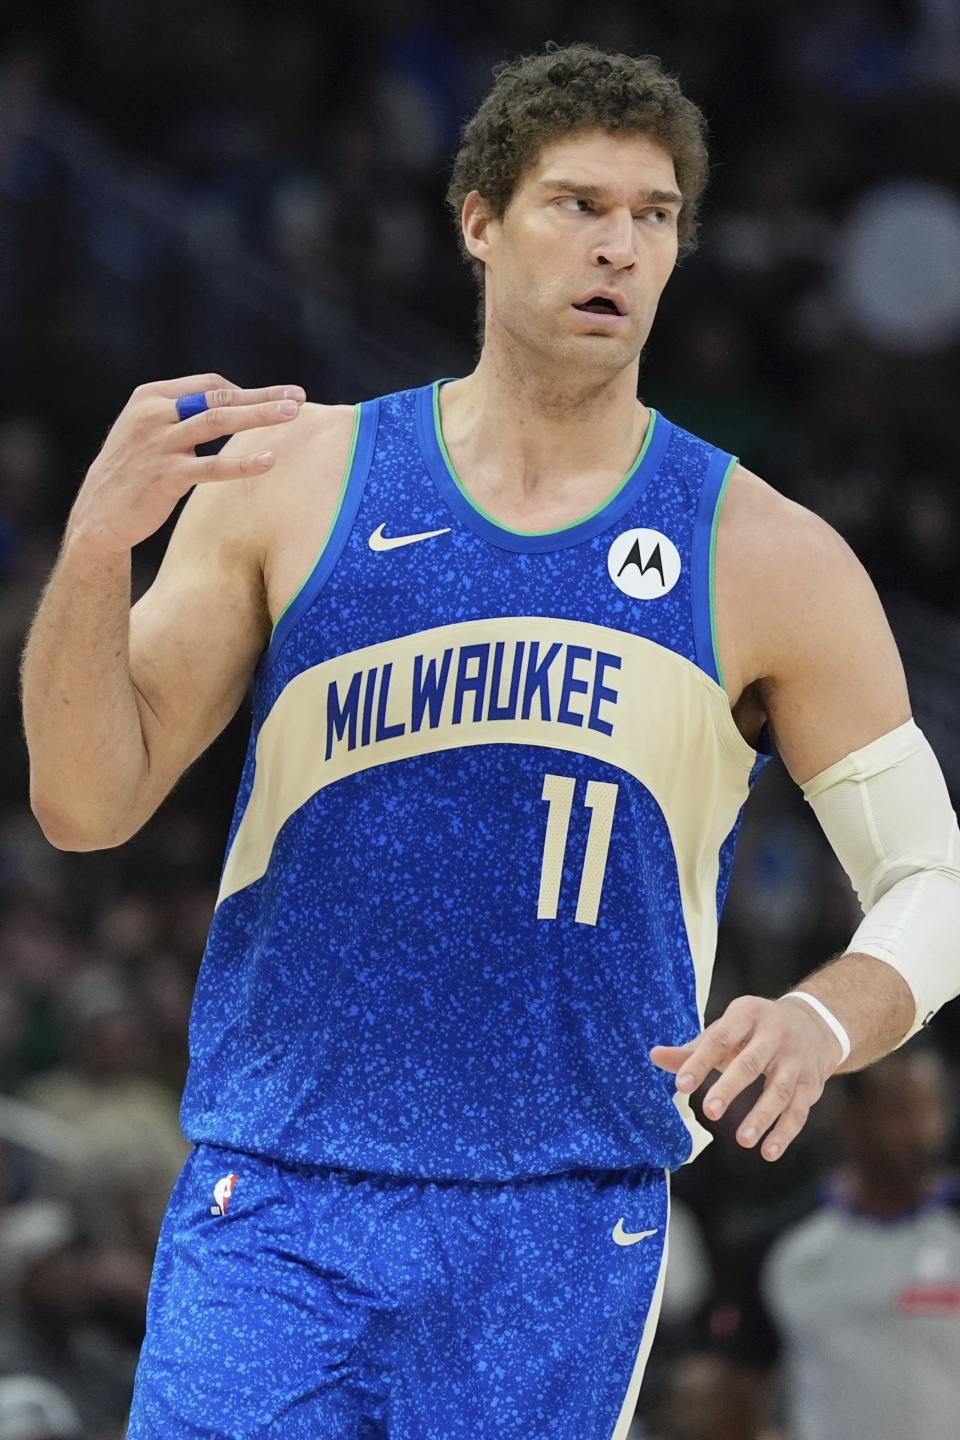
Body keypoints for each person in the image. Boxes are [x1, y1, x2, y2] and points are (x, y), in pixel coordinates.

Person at [19, 40, 960, 1440]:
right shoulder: (296, 479)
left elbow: (935, 885)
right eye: (577, 205)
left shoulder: (768, 554)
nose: (619, 247)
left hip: (562, 1214)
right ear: (477, 221)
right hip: (276, 1186)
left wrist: (819, 1021)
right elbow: (86, 806)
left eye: (652, 218)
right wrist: (97, 549)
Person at [704, 1044, 960, 1440]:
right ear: (849, 1117)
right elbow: (739, 1388)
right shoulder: (779, 1242)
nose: (918, 1130)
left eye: (928, 1110)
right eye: (899, 1111)